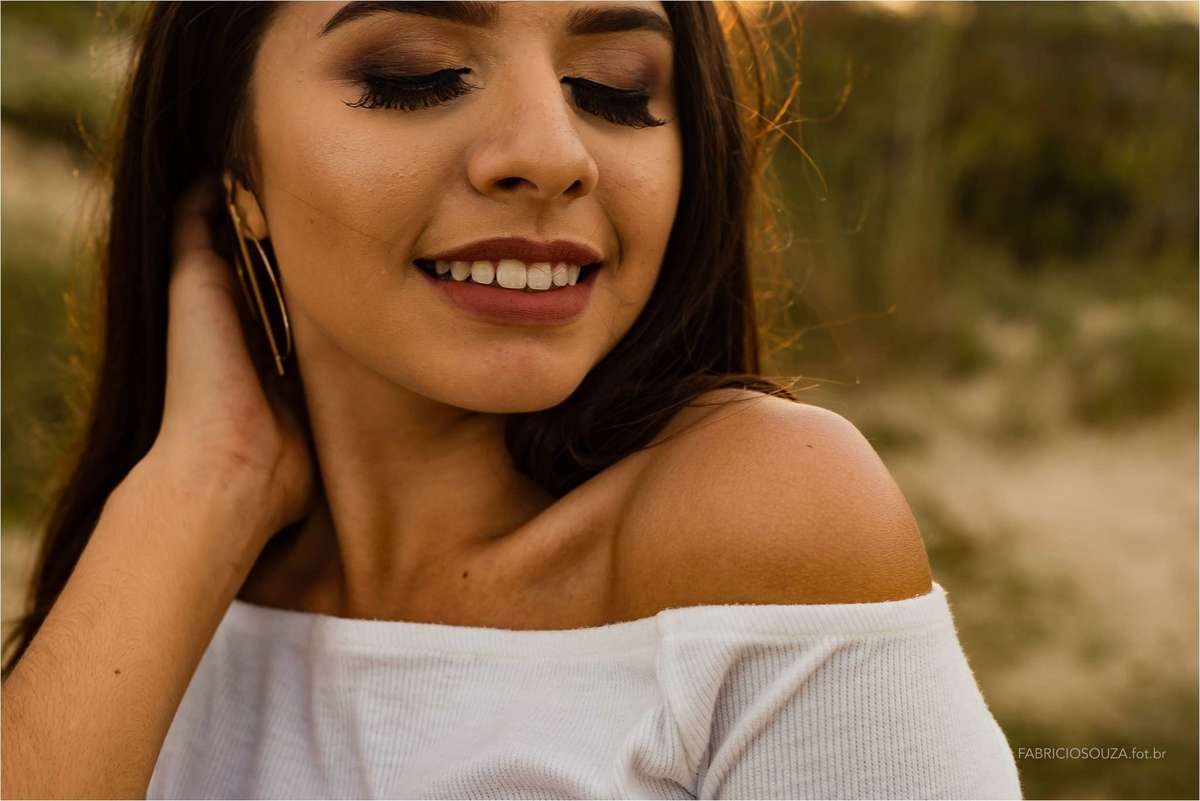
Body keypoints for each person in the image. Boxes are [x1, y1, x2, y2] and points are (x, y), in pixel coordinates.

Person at [0, 2, 1022, 798]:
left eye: (614, 89)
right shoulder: (158, 587)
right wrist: (201, 485)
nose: (552, 152)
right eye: (418, 77)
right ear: (239, 172)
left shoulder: (763, 524)